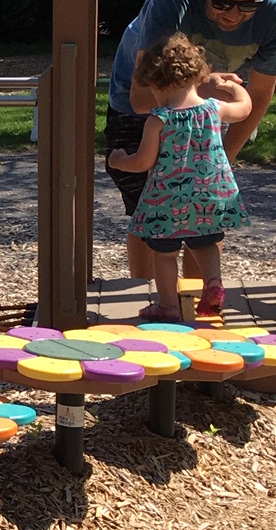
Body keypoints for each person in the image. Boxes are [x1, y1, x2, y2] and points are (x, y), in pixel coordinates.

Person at [105, 0, 276, 284]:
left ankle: (198, 299)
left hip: (201, 110)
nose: (233, 15)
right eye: (223, 3)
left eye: (247, 6)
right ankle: (148, 296)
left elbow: (259, 95)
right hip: (140, 108)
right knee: (149, 208)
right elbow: (141, 97)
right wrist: (206, 87)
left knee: (203, 211)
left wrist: (223, 160)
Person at [105, 34, 252, 322]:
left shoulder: (158, 119)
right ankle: (213, 283)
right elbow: (244, 109)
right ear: (197, 77)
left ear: (155, 84)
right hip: (209, 196)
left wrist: (119, 160)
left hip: (168, 200)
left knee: (164, 254)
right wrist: (235, 89)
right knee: (205, 243)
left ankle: (168, 306)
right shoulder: (214, 109)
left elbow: (144, 161)